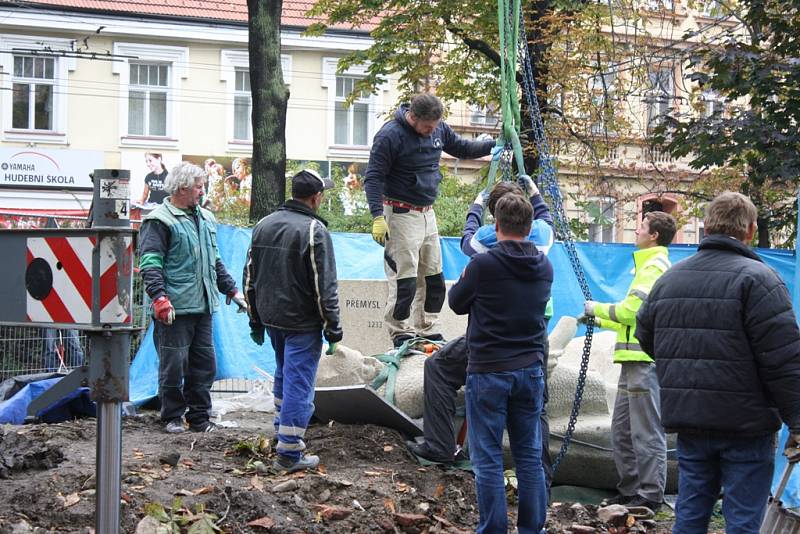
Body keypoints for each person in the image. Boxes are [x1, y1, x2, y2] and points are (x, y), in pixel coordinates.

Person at [637, 192, 800, 532]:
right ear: (751, 230)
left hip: (691, 419)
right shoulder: (761, 280)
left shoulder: (669, 280)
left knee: (691, 514)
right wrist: (797, 422)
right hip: (747, 423)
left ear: (706, 227)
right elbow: (784, 360)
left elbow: (647, 336)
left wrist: (683, 371)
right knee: (742, 521)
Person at [411, 178, 557, 490]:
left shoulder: (486, 242)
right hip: (533, 341)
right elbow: (547, 219)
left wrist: (475, 205)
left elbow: (467, 244)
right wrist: (534, 191)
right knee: (536, 412)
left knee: (438, 369)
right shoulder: (543, 250)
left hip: (490, 343)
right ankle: (541, 480)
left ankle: (439, 446)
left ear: (497, 220)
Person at [448, 192, 552, 534]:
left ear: (496, 225)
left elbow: (456, 303)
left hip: (489, 371)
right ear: (529, 227)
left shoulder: (484, 264)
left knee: (489, 459)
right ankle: (531, 529)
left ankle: (493, 529)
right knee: (529, 457)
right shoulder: (544, 265)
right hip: (530, 371)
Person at [363, 93, 496, 348]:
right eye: (427, 127)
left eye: (435, 126)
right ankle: (400, 331)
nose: (431, 131)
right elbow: (374, 177)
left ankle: (428, 328)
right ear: (413, 117)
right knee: (405, 279)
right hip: (400, 214)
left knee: (433, 276)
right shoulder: (390, 135)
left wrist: (492, 145)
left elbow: (461, 148)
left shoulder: (438, 129)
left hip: (427, 213)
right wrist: (377, 216)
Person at [244, 169, 343, 473]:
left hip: (273, 319)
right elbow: (323, 286)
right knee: (299, 384)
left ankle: (280, 433)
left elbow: (250, 275)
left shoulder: (264, 225)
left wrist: (255, 319)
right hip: (302, 323)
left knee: (284, 376)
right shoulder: (314, 231)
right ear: (316, 198)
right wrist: (333, 327)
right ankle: (289, 453)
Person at [578, 210, 676, 511]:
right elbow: (629, 321)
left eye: (642, 226)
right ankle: (632, 489)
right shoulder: (647, 266)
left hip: (643, 362)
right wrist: (599, 320)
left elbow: (631, 313)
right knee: (622, 430)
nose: (636, 231)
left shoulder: (654, 267)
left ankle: (649, 496)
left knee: (645, 432)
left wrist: (596, 309)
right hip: (632, 362)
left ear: (654, 235)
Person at [139, 161, 246, 434]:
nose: (202, 191)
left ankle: (199, 418)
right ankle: (172, 416)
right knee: (173, 366)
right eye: (199, 186)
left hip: (203, 305)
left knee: (204, 366)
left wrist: (233, 291)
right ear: (183, 187)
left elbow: (215, 261)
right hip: (175, 308)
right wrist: (159, 298)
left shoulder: (206, 218)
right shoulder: (159, 220)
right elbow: (151, 263)